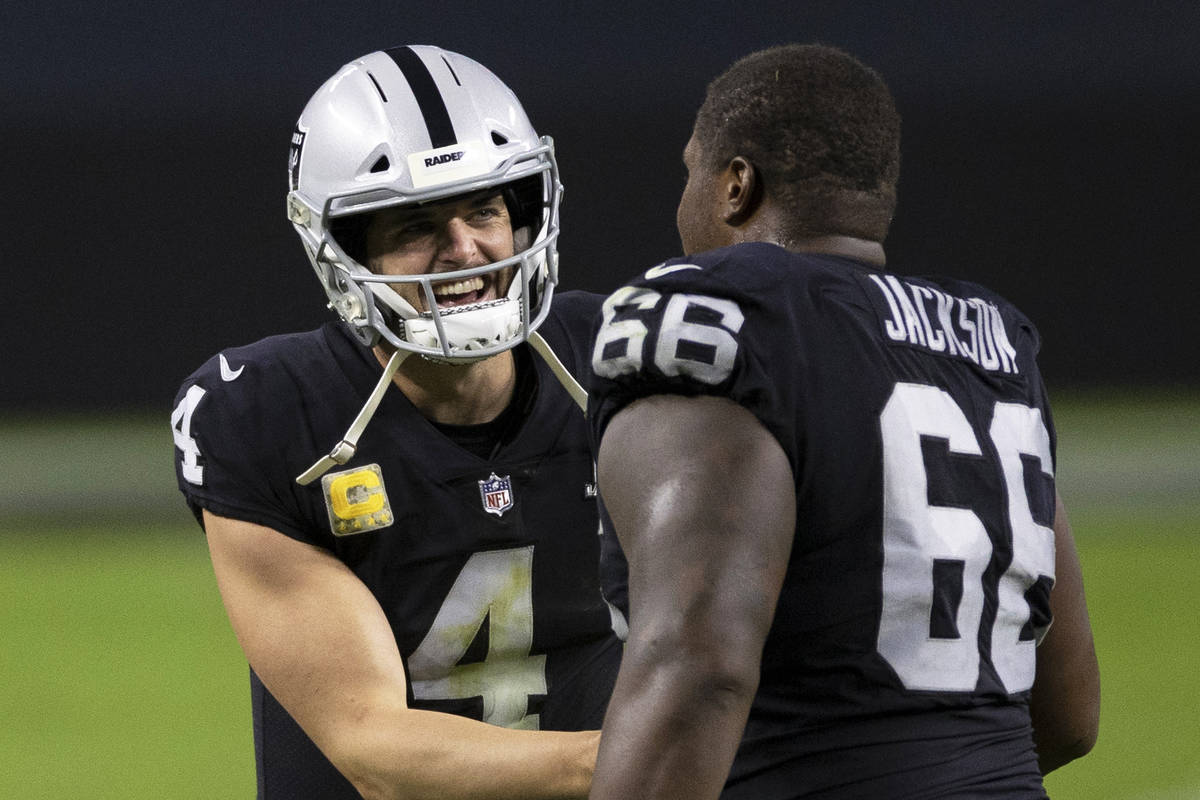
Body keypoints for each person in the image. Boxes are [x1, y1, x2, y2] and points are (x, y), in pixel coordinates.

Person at [585, 44, 1100, 799]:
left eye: (691, 171)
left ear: (735, 186)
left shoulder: (732, 323)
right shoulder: (991, 351)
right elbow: (1068, 716)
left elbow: (700, 666)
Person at [170, 46, 623, 800]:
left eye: (484, 209)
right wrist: (645, 761)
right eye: (415, 225)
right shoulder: (270, 416)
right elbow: (374, 747)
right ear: (341, 252)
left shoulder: (622, 365)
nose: (464, 250)